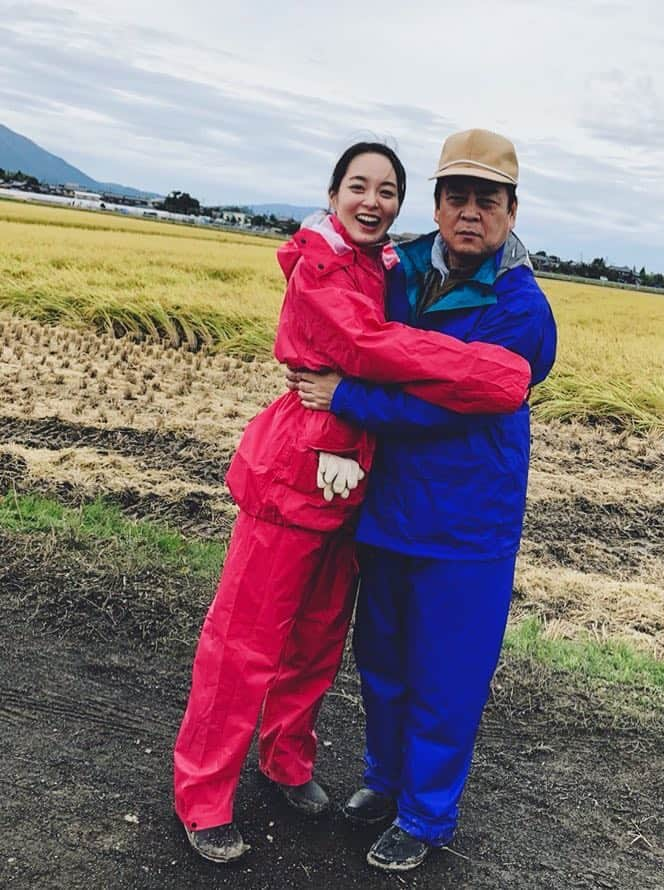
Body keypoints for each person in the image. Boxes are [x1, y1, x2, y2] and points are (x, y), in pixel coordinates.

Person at [172, 141, 532, 865]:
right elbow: (366, 346)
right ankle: (203, 797)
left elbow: (392, 362)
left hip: (354, 486)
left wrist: (375, 396)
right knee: (243, 644)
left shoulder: (389, 268)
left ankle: (285, 761)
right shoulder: (324, 266)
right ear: (332, 194)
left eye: (387, 189)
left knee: (317, 640)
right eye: (358, 186)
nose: (373, 201)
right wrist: (487, 368)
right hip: (292, 474)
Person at [293, 128, 558, 871]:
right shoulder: (399, 270)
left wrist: (351, 398)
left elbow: (462, 406)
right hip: (388, 507)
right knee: (380, 661)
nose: (470, 212)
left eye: (486, 199)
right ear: (436, 203)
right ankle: (383, 783)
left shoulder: (521, 305)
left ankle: (426, 814)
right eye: (456, 196)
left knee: (448, 677)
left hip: (469, 523)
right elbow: (347, 325)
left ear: (511, 208)